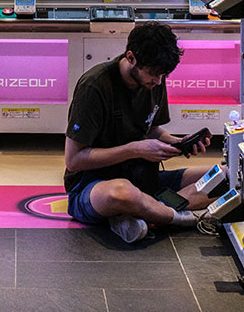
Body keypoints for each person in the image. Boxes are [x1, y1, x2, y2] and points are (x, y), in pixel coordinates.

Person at [63, 21, 218, 243]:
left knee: (224, 175)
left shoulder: (155, 79)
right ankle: (180, 216)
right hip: (94, 185)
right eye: (153, 74)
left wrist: (176, 144)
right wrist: (135, 149)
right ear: (131, 57)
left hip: (143, 177)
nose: (158, 81)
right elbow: (74, 160)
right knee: (121, 193)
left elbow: (153, 130)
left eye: (164, 75)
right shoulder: (95, 86)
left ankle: (140, 212)